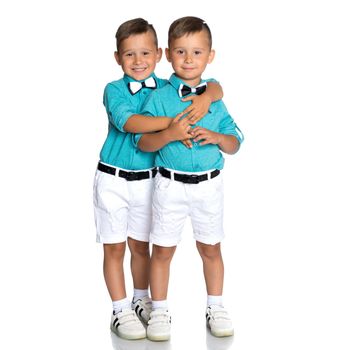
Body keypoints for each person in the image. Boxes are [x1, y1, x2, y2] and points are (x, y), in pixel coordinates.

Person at [93, 18, 224, 340]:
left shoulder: (168, 87)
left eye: (145, 54)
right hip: (113, 180)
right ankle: (120, 308)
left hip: (151, 179)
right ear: (117, 58)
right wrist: (176, 124)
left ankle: (141, 300)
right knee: (114, 247)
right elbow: (130, 122)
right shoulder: (114, 90)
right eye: (129, 55)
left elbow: (211, 86)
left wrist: (207, 98)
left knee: (142, 246)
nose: (138, 62)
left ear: (159, 55)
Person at [135, 16, 244, 341]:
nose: (188, 59)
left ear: (209, 56)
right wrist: (169, 133)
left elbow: (235, 142)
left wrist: (216, 136)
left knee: (210, 247)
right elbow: (142, 142)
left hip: (209, 186)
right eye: (181, 52)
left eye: (197, 52)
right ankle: (160, 309)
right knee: (163, 249)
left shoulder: (215, 98)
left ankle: (216, 305)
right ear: (168, 54)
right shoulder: (159, 97)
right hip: (169, 185)